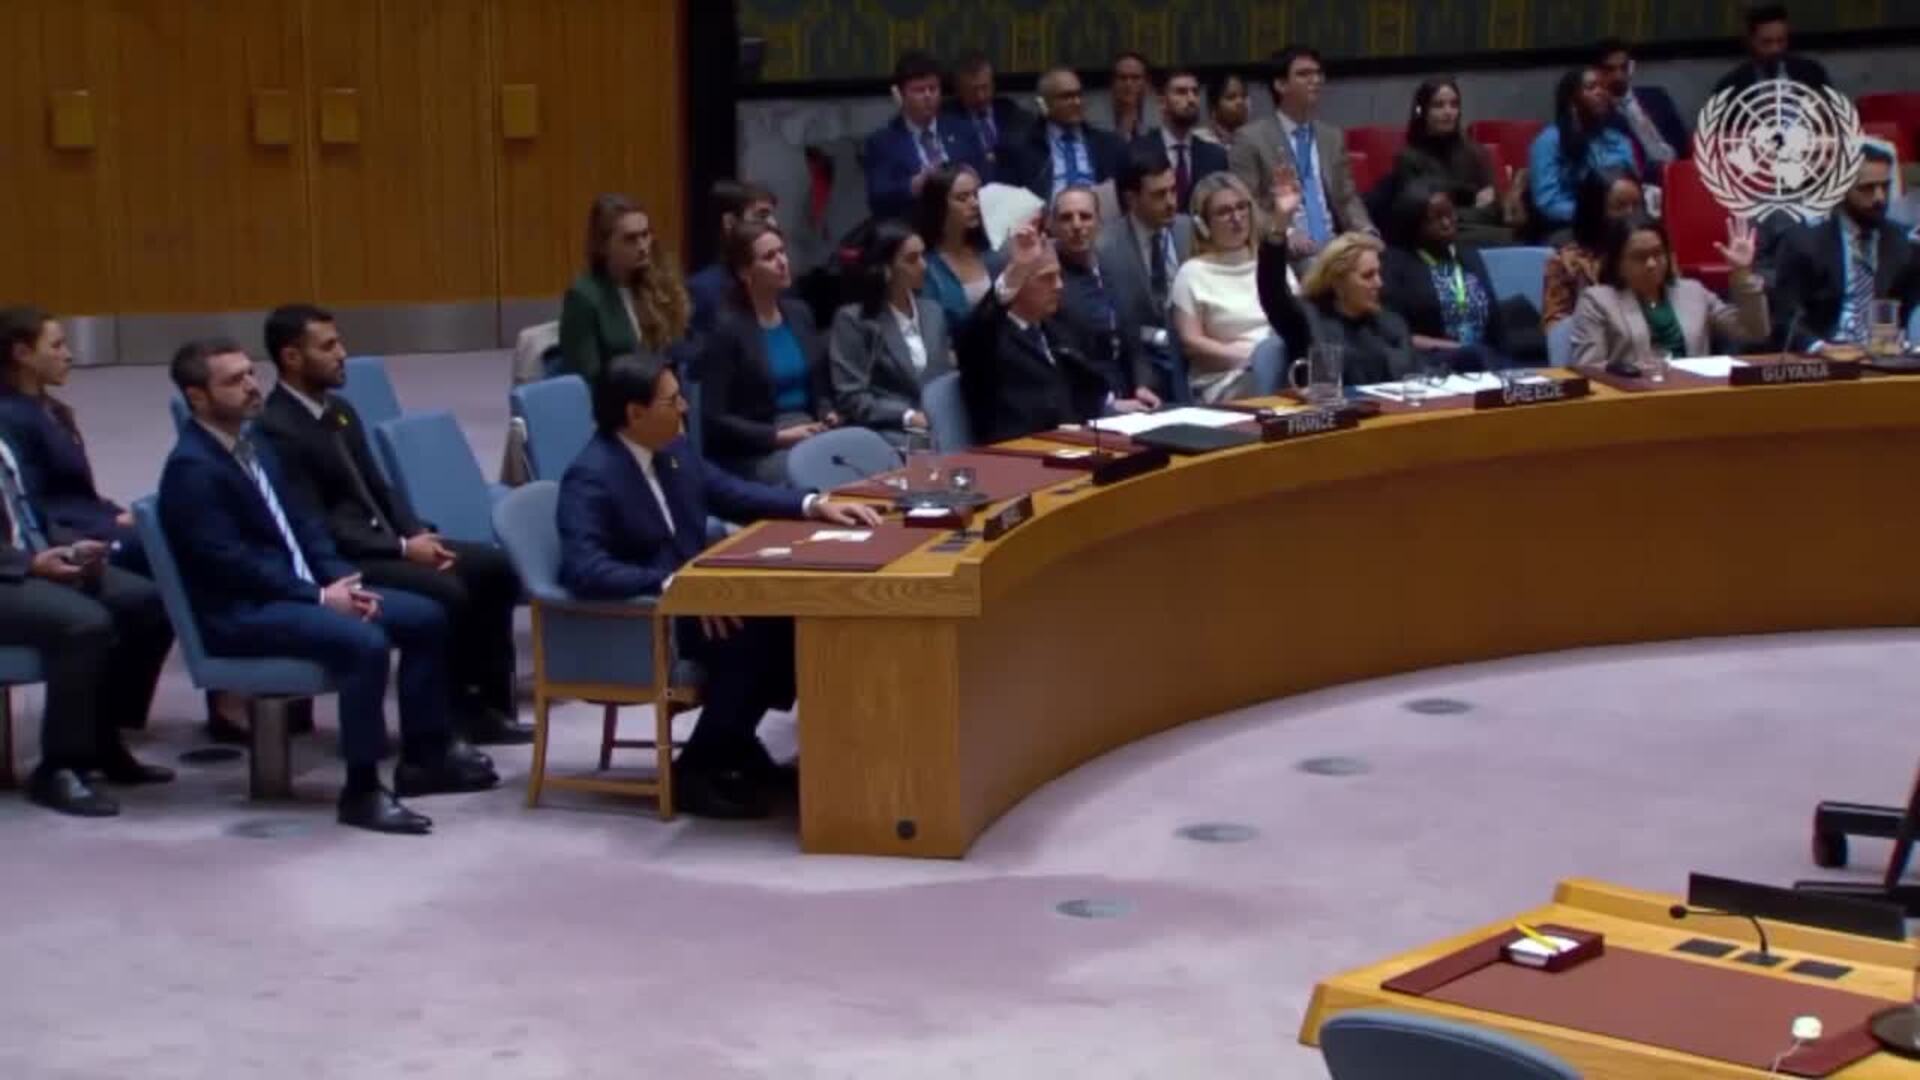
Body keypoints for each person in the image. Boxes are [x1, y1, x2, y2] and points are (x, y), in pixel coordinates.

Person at [158, 338, 496, 835]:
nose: (251, 385)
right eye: (233, 380)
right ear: (197, 397)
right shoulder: (192, 469)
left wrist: (338, 578)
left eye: (250, 373)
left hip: (296, 591)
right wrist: (319, 598)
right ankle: (361, 789)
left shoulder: (251, 445)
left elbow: (305, 524)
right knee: (365, 643)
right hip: (242, 611)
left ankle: (425, 756)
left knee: (426, 616)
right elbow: (231, 566)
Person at [556, 354, 881, 818]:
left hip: (695, 600)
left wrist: (813, 504)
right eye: (672, 401)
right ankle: (696, 770)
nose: (684, 407)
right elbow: (585, 568)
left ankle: (734, 745)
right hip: (645, 617)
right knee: (751, 637)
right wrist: (678, 584)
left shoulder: (673, 451)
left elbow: (733, 493)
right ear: (635, 413)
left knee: (788, 620)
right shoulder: (591, 475)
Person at [255, 304, 531, 747]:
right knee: (447, 589)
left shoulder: (338, 410)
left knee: (493, 568)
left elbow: (379, 487)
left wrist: (414, 532)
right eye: (328, 346)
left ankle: (487, 708)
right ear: (291, 357)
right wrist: (403, 549)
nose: (342, 354)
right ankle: (446, 718)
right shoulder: (276, 429)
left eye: (339, 342)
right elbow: (314, 524)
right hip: (345, 558)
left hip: (385, 538)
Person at [0, 433, 174, 816]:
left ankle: (101, 738)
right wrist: (30, 565)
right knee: (83, 624)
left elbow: (27, 509)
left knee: (145, 601)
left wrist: (72, 546)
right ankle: (60, 766)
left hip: (26, 557)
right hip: (8, 572)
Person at [701, 222, 836, 484]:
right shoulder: (726, 330)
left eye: (782, 252)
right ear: (744, 272)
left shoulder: (800, 314)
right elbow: (715, 419)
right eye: (769, 257)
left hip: (808, 431)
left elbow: (819, 387)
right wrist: (777, 437)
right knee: (820, 475)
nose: (782, 262)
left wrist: (827, 411)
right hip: (757, 449)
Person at [955, 225, 1113, 444]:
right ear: (1017, 283)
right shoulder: (988, 339)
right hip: (1018, 452)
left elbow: (1086, 382)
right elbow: (978, 329)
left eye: (1059, 276)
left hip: (1071, 443)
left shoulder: (1057, 327)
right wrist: (1015, 271)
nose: (1059, 285)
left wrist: (1111, 403)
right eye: (1047, 278)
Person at [1771, 145, 1920, 353]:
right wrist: (1820, 347)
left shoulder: (1903, 244)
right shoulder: (1805, 243)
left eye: (1885, 187)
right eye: (1867, 188)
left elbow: (1908, 312)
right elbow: (1784, 318)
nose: (1880, 197)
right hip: (1825, 357)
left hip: (1883, 354)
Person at [1230, 46, 1373, 262]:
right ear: (1280, 85)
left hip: (1335, 245)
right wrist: (1285, 232)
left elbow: (1346, 198)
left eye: (1318, 73)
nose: (1315, 80)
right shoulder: (1251, 139)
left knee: (1381, 262)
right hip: (1287, 250)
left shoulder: (1331, 137)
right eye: (1304, 74)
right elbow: (1246, 205)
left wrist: (1366, 231)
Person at [1568, 215, 1765, 371]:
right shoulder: (1597, 301)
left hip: (1693, 396)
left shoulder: (1692, 292)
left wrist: (1742, 273)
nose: (1651, 264)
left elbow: (1753, 332)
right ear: (1617, 263)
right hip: (1632, 401)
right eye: (1639, 257)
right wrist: (1635, 372)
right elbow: (1588, 369)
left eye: (1658, 253)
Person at [826, 221, 955, 447]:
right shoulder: (854, 320)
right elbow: (851, 396)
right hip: (891, 430)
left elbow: (945, 377)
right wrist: (908, 416)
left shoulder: (933, 312)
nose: (924, 266)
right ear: (885, 269)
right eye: (912, 259)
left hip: (941, 423)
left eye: (923, 255)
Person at [557, 193, 693, 383]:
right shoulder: (584, 296)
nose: (643, 247)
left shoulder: (656, 284)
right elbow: (586, 379)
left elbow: (674, 352)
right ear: (603, 246)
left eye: (645, 235)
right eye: (630, 239)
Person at [1379, 182, 1514, 371]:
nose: (1446, 223)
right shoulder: (1395, 265)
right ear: (1413, 223)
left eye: (1449, 214)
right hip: (1430, 365)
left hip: (1484, 362)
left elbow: (1496, 324)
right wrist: (1461, 350)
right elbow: (1395, 334)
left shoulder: (1468, 257)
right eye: (1435, 219)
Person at [1097, 142, 1197, 396]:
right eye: (1159, 195)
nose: (1171, 202)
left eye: (1173, 190)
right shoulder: (1106, 249)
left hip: (1195, 352)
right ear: (1131, 199)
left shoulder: (1191, 231)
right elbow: (1122, 326)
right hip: (1141, 362)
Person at [1050, 186, 1161, 410]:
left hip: (1131, 397)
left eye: (1085, 216)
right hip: (1084, 405)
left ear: (1099, 222)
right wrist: (1109, 404)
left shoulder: (1116, 269)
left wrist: (1143, 385)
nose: (1077, 225)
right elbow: (1062, 362)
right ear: (1052, 226)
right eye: (1066, 218)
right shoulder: (1050, 281)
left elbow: (1134, 343)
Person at [1171, 172, 1278, 402]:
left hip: (1279, 365)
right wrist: (1252, 357)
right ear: (1202, 224)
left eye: (1241, 207)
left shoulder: (1271, 263)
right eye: (1224, 212)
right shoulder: (1191, 274)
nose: (1237, 218)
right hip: (1226, 379)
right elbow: (1191, 343)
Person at [1382, 77, 1512, 246]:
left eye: (1454, 105)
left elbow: (1494, 211)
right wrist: (1472, 204)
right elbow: (1423, 219)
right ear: (1422, 111)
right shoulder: (1408, 159)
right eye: (1439, 105)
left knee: (1511, 237)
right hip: (1435, 239)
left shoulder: (1474, 153)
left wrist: (1453, 212)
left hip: (1475, 230)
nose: (1448, 112)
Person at [863, 51, 986, 222]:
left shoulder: (963, 130)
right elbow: (878, 198)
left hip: (964, 226)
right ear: (901, 95)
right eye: (919, 90)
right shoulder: (883, 143)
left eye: (933, 89)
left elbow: (986, 179)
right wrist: (913, 186)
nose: (928, 96)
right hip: (913, 227)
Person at [1528, 67, 1638, 239]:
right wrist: (1594, 215)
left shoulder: (1618, 140)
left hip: (1620, 222)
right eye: (1591, 87)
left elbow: (1631, 187)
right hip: (1570, 227)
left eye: (1603, 87)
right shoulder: (1548, 142)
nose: (1601, 92)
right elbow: (1548, 202)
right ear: (1572, 99)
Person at [1298, 233, 1415, 386]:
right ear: (1338, 282)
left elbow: (1410, 376)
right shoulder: (1311, 319)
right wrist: (1276, 235)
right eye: (1368, 276)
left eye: (1378, 273)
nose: (1379, 283)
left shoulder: (1392, 324)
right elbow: (1275, 293)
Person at [1542, 168, 1645, 329]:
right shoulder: (1566, 264)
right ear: (1595, 211)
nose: (1631, 214)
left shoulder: (1653, 253)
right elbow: (1555, 327)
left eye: (1637, 206)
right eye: (1620, 206)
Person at [1003, 67, 1124, 200]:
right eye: (1067, 97)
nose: (1076, 102)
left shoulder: (1110, 145)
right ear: (1044, 104)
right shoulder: (1020, 149)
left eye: (1079, 95)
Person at [914, 165, 1006, 328]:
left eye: (976, 195)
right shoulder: (924, 267)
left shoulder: (993, 251)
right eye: (962, 198)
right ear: (939, 206)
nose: (975, 203)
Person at [687, 180, 779, 339]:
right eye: (762, 215)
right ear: (730, 222)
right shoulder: (702, 290)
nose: (773, 224)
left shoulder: (779, 282)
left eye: (772, 215)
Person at [1137, 65, 1229, 212]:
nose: (1191, 99)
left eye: (1195, 92)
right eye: (1181, 92)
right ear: (1162, 102)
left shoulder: (1216, 156)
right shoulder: (1138, 151)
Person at [1595, 38, 1688, 175]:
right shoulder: (1599, 113)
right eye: (1610, 69)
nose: (1618, 76)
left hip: (1677, 170)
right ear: (1598, 73)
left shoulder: (1657, 97)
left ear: (1631, 67)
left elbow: (1682, 142)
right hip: (1641, 178)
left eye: (1623, 68)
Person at [943, 51, 1032, 181]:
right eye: (972, 90)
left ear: (993, 84)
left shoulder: (1011, 111)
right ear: (958, 90)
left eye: (985, 87)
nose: (981, 96)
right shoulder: (947, 119)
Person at [1712, 4, 1832, 96]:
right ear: (1750, 41)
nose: (1775, 49)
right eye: (1767, 42)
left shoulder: (1812, 74)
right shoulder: (1731, 87)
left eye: (1781, 41)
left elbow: (1833, 113)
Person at [1100, 51, 1157, 143]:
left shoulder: (1160, 118)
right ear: (1112, 82)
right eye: (1122, 78)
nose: (1128, 84)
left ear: (1147, 83)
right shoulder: (1094, 122)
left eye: (1135, 78)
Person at [1196, 71, 1251, 151]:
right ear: (1213, 106)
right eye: (1231, 97)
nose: (1240, 102)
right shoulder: (1199, 141)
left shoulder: (1256, 140)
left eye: (1244, 96)